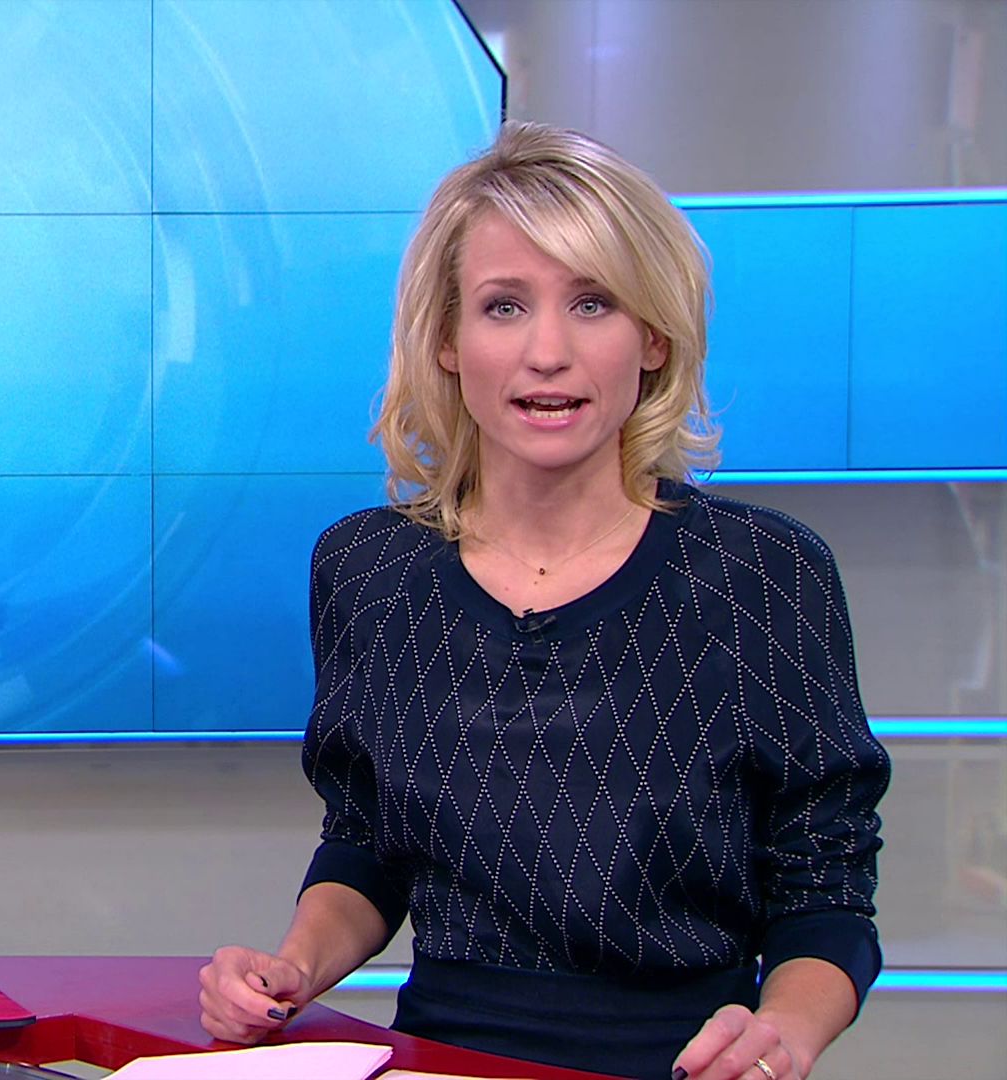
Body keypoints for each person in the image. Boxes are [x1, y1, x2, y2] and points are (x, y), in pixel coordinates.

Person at [197, 122, 890, 1080]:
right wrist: (289, 971)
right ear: (447, 340)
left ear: (654, 337)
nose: (548, 352)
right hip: (434, 1062)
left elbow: (827, 889)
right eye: (505, 306)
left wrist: (786, 1031)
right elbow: (366, 846)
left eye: (593, 303)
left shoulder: (762, 572)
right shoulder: (368, 569)